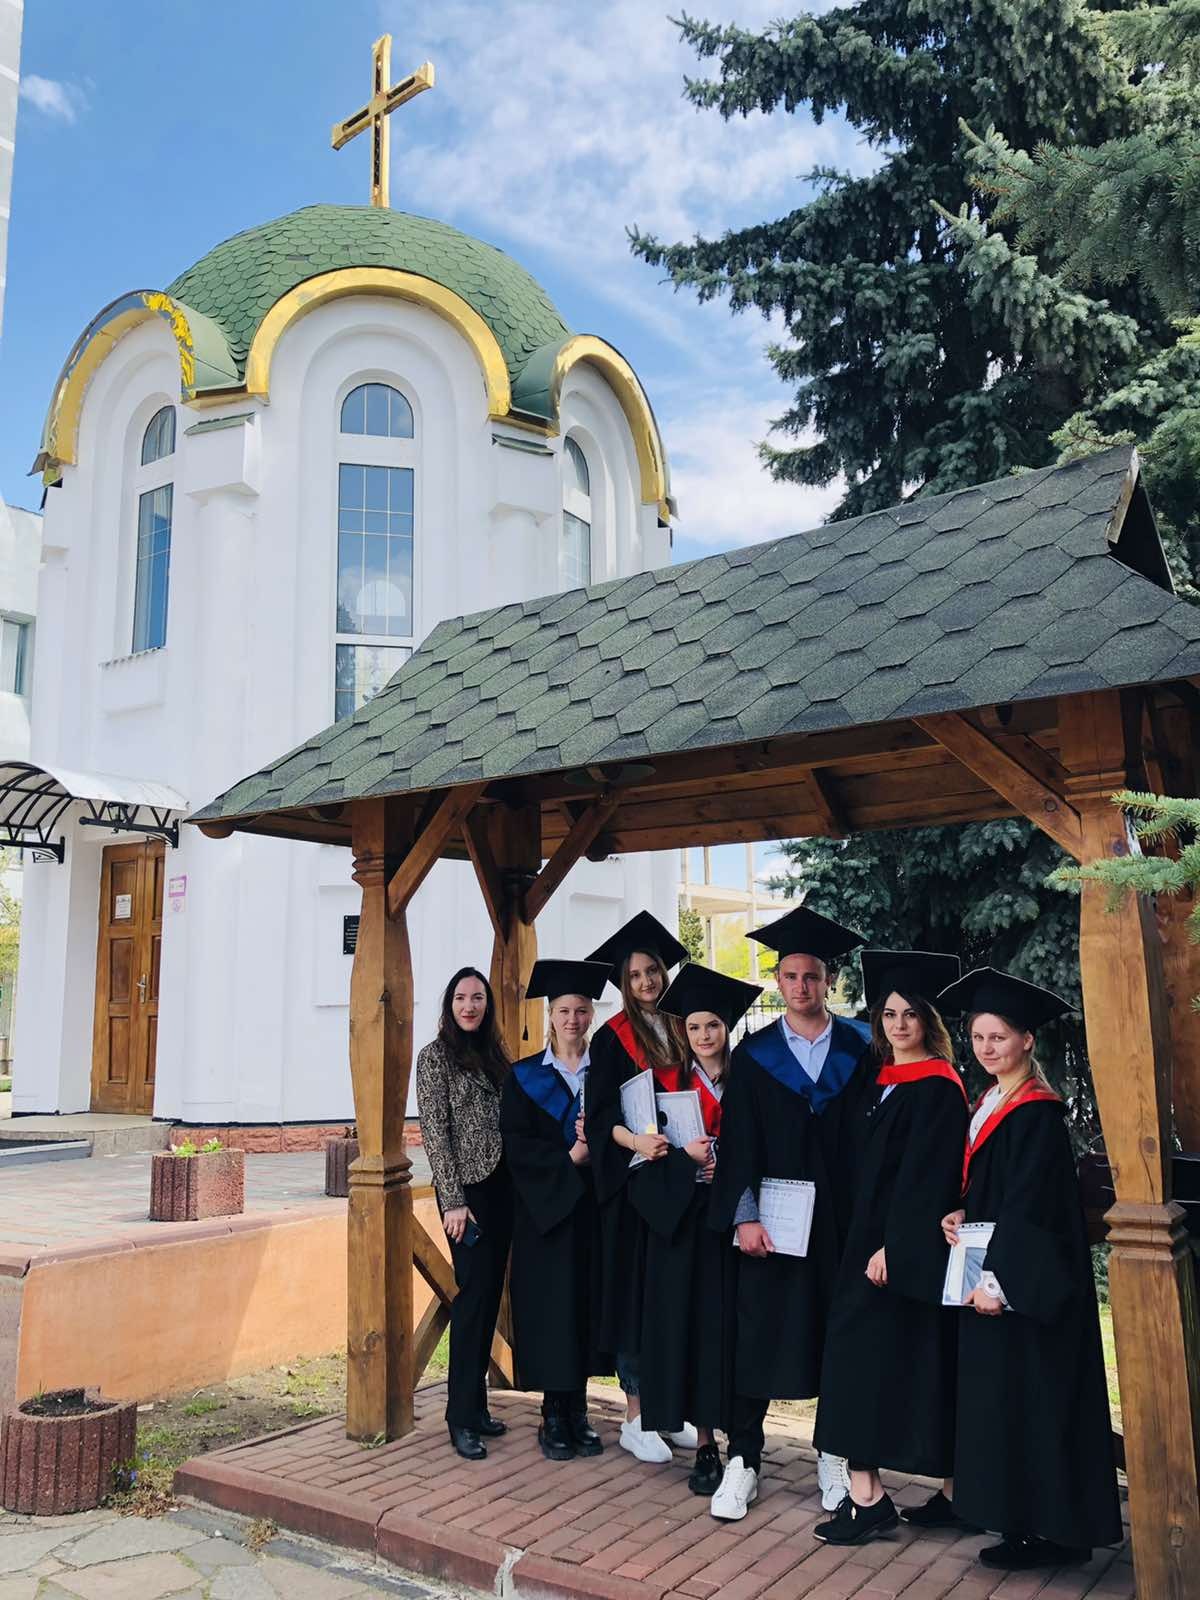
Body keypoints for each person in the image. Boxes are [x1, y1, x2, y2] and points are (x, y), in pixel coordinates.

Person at [937, 967, 1122, 1572]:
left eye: (999, 1037)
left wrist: (996, 1282)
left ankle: (1057, 1533)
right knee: (1011, 1401)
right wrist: (962, 1212)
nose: (986, 1047)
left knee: (1039, 1402)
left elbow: (1030, 1207)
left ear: (1026, 1041)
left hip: (1027, 1286)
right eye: (978, 1037)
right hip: (1003, 1274)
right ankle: (1024, 1523)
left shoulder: (1035, 1113)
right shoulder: (992, 1101)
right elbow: (994, 1192)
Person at [708, 906, 874, 1521]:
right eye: (791, 976)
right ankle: (744, 1459)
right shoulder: (754, 1055)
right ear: (778, 981)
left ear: (828, 981)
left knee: (839, 1336)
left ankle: (834, 1456)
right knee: (758, 1333)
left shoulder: (861, 1046)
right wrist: (744, 1215)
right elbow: (738, 1142)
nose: (802, 986)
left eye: (812, 976)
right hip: (775, 1222)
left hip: (842, 1221)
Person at [812, 950, 967, 1547]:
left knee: (890, 1364)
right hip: (864, 1241)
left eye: (910, 1014)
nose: (899, 1024)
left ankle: (872, 1499)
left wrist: (892, 1249)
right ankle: (899, 1493)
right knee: (886, 1365)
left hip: (896, 1251)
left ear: (928, 1019)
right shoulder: (875, 1077)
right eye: (889, 1014)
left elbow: (929, 1179)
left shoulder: (938, 1086)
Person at [584, 910, 699, 1464]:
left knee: (669, 1300)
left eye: (652, 971)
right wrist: (636, 1142)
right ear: (623, 984)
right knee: (634, 1298)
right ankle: (635, 1415)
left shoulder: (684, 1026)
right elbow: (599, 1114)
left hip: (682, 1183)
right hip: (634, 1186)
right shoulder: (612, 1039)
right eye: (634, 976)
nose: (646, 982)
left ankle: (665, 1409)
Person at [643, 963, 762, 1495]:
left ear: (727, 1027)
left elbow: (764, 1147)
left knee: (732, 1334)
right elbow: (644, 1160)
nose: (704, 1035)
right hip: (684, 1226)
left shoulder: (750, 1080)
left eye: (712, 1025)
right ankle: (706, 1443)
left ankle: (744, 1444)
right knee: (693, 1332)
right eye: (693, 1027)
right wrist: (687, 1163)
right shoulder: (665, 1085)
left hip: (734, 1224)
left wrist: (727, 1169)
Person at [500, 958, 614, 1461]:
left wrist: (600, 1151)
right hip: (545, 1214)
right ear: (550, 1014)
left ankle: (579, 1411)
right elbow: (516, 1146)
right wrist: (570, 1159)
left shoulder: (606, 1074)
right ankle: (552, 1413)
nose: (573, 1019)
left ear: (591, 1015)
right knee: (552, 1309)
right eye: (564, 1010)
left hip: (594, 1211)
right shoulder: (524, 1077)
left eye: (582, 1010)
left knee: (586, 1305)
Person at [415, 966, 513, 1461]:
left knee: (489, 1297)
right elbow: (435, 1132)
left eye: (477, 998)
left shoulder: (495, 1054)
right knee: (471, 1301)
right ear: (449, 1005)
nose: (469, 1006)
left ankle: (477, 1407)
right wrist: (452, 1200)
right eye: (460, 998)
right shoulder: (434, 1058)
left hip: (502, 1188)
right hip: (466, 1196)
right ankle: (459, 1417)